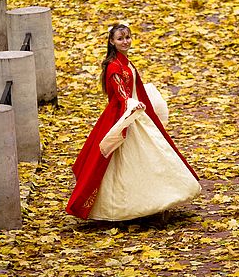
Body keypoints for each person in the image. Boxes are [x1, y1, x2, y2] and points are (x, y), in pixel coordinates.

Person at [66, 22, 201, 221]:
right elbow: (121, 93)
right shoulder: (114, 66)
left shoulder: (126, 62)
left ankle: (158, 199)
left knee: (151, 154)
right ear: (112, 41)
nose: (125, 41)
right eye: (120, 39)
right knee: (126, 161)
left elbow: (133, 88)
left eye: (127, 37)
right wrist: (131, 105)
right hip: (123, 113)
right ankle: (128, 206)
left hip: (133, 111)